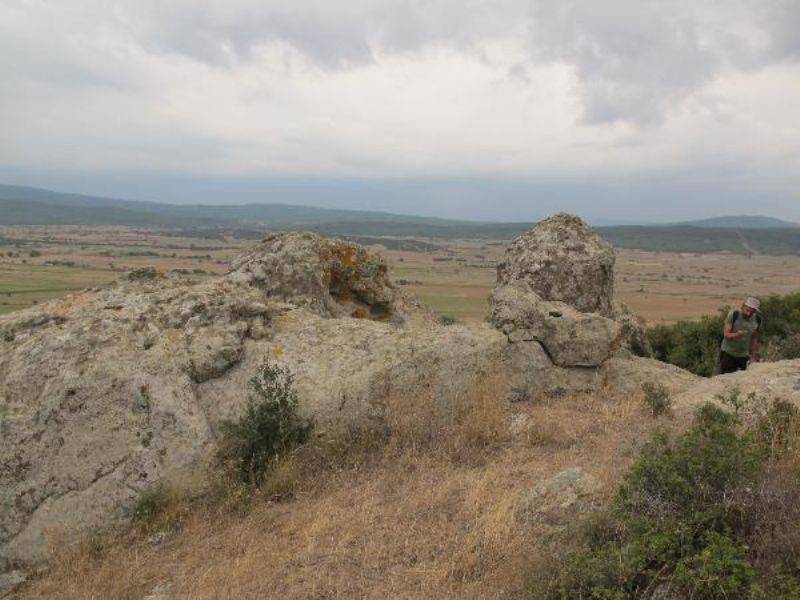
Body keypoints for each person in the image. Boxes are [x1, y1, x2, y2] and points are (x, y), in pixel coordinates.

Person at [719, 296, 762, 374]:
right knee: (726, 378)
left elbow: (754, 338)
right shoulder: (734, 314)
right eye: (747, 310)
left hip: (744, 355)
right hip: (728, 353)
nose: (749, 313)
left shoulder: (757, 319)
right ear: (743, 306)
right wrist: (737, 335)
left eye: (752, 312)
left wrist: (753, 355)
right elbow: (726, 334)